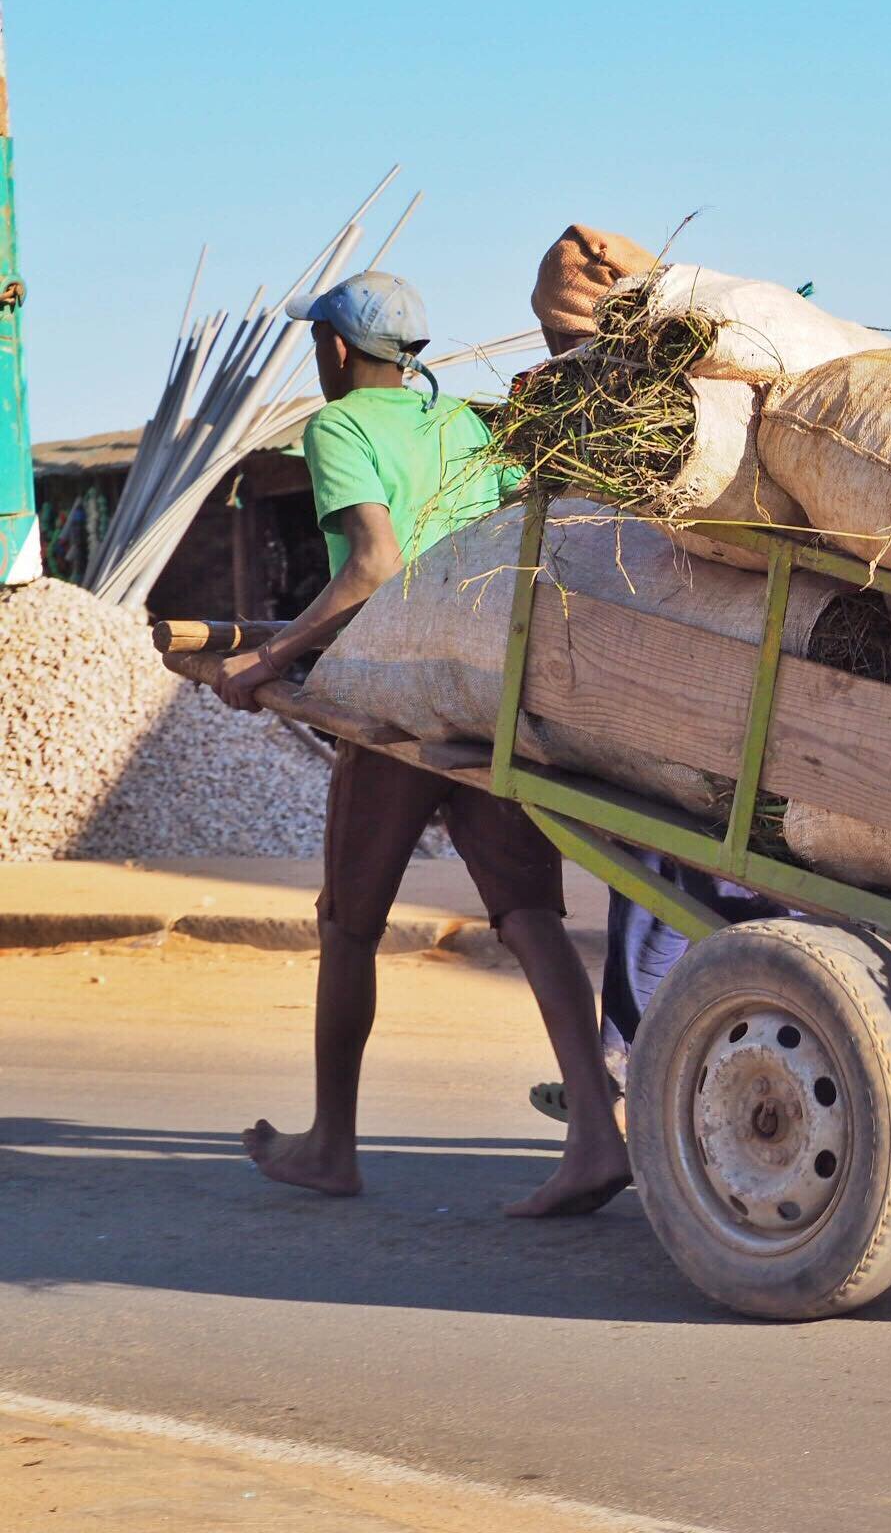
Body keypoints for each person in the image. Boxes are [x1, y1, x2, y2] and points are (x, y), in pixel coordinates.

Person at [216, 270, 630, 1217]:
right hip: (481, 687)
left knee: (347, 925)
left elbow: (373, 564)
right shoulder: (466, 426)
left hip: (397, 696)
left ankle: (330, 1145)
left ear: (334, 349)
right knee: (527, 915)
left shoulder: (336, 428)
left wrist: (268, 657)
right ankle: (596, 1140)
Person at [524, 226, 785, 1121]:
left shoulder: (631, 411)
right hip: (741, 671)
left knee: (653, 846)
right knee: (712, 861)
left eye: (561, 338)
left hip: (684, 675)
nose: (556, 357)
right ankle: (679, 1035)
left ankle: (636, 1052)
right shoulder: (733, 394)